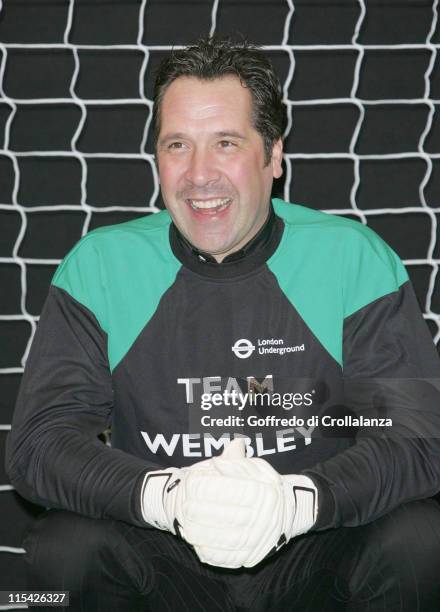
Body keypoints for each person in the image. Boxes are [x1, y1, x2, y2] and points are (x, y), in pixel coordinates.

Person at [6, 34, 440, 611]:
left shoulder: (351, 258)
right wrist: (169, 497)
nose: (198, 175)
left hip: (315, 550)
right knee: (65, 548)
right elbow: (39, 445)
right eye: (178, 144)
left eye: (226, 143)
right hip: (165, 554)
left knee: (420, 540)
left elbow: (417, 438)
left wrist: (297, 503)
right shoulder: (101, 266)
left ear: (274, 154)